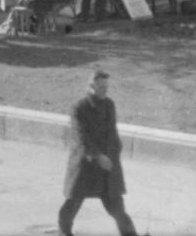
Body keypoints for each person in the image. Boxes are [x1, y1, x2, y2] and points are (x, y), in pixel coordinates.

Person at [58, 70, 139, 236]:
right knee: (72, 204)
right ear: (91, 86)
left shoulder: (109, 104)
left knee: (117, 208)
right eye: (101, 86)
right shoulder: (79, 108)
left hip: (107, 166)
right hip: (85, 166)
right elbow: (81, 138)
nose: (105, 90)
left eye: (106, 86)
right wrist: (97, 156)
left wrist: (115, 153)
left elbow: (112, 132)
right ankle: (64, 232)